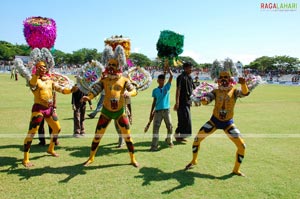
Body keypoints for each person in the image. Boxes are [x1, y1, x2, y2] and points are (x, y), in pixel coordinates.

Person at [81, 45, 139, 167]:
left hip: (120, 112)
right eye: (110, 65)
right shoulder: (104, 80)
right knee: (97, 137)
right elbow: (95, 90)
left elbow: (134, 90)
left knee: (128, 137)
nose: (111, 67)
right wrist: (89, 97)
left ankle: (133, 159)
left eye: (114, 65)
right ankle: (91, 158)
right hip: (106, 112)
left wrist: (129, 93)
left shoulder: (124, 80)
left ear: (119, 66)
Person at [185, 70, 250, 176]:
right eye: (222, 77)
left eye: (226, 77)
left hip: (228, 123)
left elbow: (245, 93)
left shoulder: (234, 91)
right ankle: (194, 160)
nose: (224, 79)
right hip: (214, 121)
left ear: (230, 79)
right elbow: (208, 99)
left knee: (242, 146)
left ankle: (236, 169)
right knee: (197, 140)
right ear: (219, 79)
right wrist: (204, 100)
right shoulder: (215, 91)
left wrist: (243, 84)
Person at [22, 48, 76, 167]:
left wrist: (71, 90)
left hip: (49, 109)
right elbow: (32, 84)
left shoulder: (50, 81)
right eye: (40, 66)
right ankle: (25, 158)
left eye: (44, 66)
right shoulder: (34, 80)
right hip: (39, 109)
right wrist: (36, 74)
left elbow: (61, 90)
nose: (42, 68)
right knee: (32, 132)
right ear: (36, 68)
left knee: (57, 129)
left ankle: (50, 149)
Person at [149, 68, 174, 151]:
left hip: (166, 110)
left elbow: (172, 76)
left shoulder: (167, 87)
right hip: (158, 112)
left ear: (164, 81)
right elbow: (154, 102)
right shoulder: (155, 90)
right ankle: (154, 146)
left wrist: (169, 70)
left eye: (163, 80)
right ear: (157, 81)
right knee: (155, 128)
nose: (161, 81)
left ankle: (169, 140)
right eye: (160, 80)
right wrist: (151, 112)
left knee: (170, 126)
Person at [173, 62, 194, 142]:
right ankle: (177, 134)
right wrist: (177, 102)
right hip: (181, 102)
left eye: (191, 67)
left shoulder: (190, 77)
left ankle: (181, 136)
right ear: (185, 68)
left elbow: (193, 89)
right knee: (183, 118)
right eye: (190, 68)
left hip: (187, 101)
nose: (191, 69)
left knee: (186, 119)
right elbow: (178, 89)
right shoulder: (180, 77)